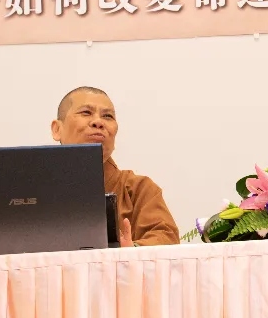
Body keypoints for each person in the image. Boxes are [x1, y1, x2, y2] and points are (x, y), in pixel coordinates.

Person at [50, 86, 179, 247]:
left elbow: (166, 238)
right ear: (57, 129)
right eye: (86, 112)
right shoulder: (33, 191)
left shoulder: (138, 190)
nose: (98, 122)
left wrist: (132, 250)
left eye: (107, 116)